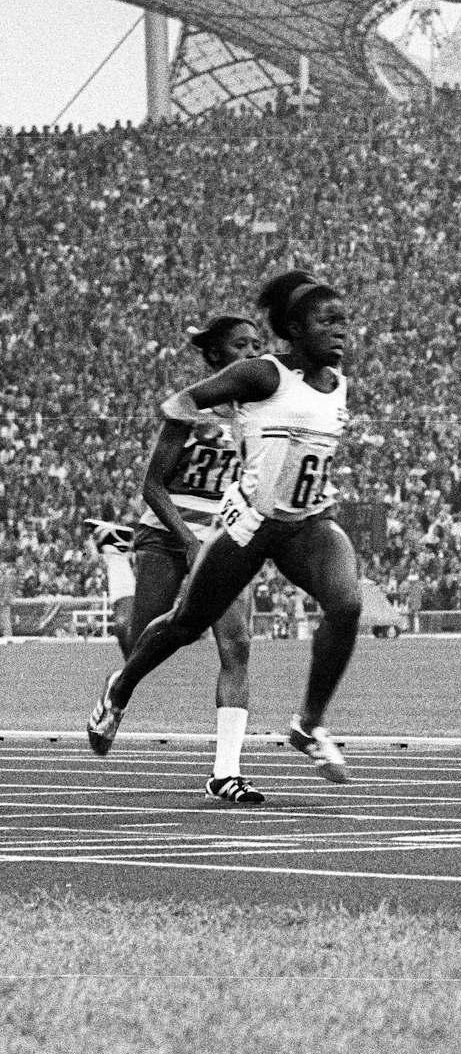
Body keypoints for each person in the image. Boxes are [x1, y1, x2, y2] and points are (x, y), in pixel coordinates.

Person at [87, 270, 363, 786]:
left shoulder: (338, 384)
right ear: (296, 330)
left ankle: (308, 723)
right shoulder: (262, 375)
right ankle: (119, 689)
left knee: (346, 604)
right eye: (328, 322)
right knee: (186, 624)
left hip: (306, 524)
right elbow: (178, 403)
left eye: (344, 321)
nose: (341, 331)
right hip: (249, 526)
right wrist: (217, 420)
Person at [122, 316, 268, 801]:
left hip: (226, 534)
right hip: (168, 530)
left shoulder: (265, 410)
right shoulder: (191, 409)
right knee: (139, 635)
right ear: (215, 357)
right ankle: (113, 562)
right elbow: (152, 484)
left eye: (257, 345)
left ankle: (225, 773)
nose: (252, 353)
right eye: (240, 345)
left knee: (237, 645)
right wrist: (186, 538)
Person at [83, 519, 137, 655]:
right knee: (123, 630)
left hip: (125, 591)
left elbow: (93, 560)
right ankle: (114, 545)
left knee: (124, 627)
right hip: (122, 591)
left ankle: (114, 546)